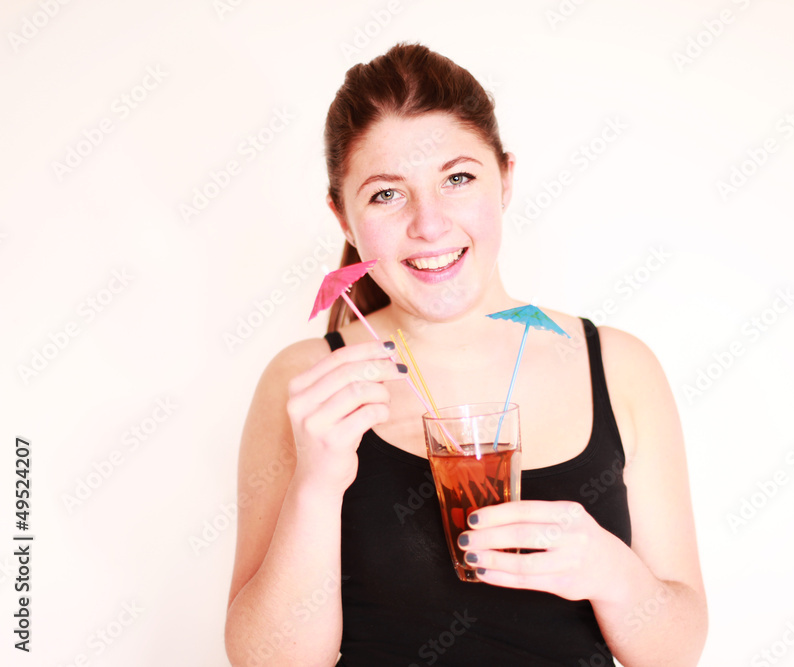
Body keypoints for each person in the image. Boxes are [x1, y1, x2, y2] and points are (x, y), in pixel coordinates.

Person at [224, 42, 707, 666]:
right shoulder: (309, 382)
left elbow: (676, 651)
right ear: (343, 217)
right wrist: (315, 487)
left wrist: (612, 572)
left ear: (505, 179)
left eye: (457, 179)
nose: (429, 225)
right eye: (385, 194)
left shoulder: (618, 367)